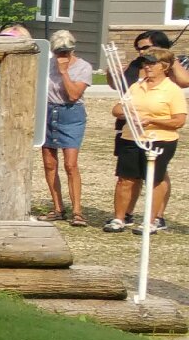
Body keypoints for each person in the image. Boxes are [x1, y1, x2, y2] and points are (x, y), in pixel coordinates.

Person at [110, 48, 186, 233]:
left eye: (152, 63)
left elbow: (179, 121)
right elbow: (117, 109)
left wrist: (152, 120)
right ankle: (120, 218)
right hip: (131, 137)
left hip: (160, 140)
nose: (148, 67)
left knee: (154, 179)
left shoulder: (172, 90)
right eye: (146, 63)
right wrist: (128, 114)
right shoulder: (137, 86)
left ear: (164, 66)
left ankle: (150, 220)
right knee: (125, 179)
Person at [41, 29, 93, 227]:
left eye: (66, 52)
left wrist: (63, 73)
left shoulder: (83, 67)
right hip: (48, 111)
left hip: (71, 113)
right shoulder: (46, 65)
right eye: (58, 52)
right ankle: (58, 207)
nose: (62, 56)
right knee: (49, 163)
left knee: (70, 164)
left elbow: (73, 95)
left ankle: (77, 211)